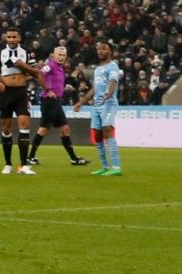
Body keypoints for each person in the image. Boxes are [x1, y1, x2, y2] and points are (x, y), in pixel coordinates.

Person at [0, 29, 38, 175]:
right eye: (9, 37)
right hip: (5, 93)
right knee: (6, 128)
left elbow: (36, 72)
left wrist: (22, 65)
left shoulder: (27, 52)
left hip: (21, 92)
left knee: (25, 124)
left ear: (19, 37)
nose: (11, 39)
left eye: (14, 37)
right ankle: (8, 163)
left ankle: (24, 165)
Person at [29, 45, 87, 166]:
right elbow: (39, 73)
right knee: (44, 129)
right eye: (59, 55)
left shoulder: (60, 67)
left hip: (56, 102)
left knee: (65, 129)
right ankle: (30, 157)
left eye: (63, 55)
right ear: (54, 55)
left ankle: (73, 158)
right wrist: (48, 90)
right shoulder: (51, 65)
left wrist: (62, 88)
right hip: (49, 102)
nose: (61, 57)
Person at [87, 42, 122, 176]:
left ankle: (116, 167)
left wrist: (109, 93)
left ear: (110, 52)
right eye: (99, 49)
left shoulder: (113, 66)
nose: (100, 51)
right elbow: (95, 89)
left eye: (104, 49)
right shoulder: (97, 69)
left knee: (107, 130)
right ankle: (105, 167)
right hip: (97, 105)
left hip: (108, 103)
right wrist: (81, 101)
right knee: (97, 135)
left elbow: (113, 82)